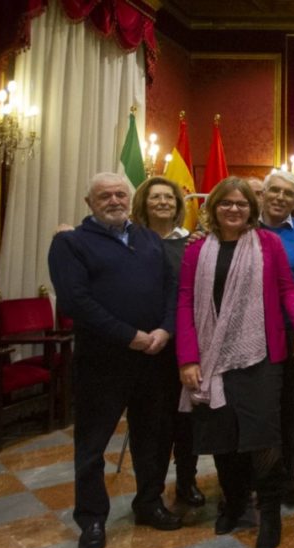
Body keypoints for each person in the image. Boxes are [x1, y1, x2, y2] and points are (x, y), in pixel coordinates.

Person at [177, 176, 294, 548]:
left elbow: (287, 287)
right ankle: (234, 503)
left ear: (252, 208)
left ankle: (269, 513)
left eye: (241, 204)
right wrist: (187, 358)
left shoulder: (267, 243)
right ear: (213, 207)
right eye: (226, 203)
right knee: (222, 434)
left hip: (261, 355)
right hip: (211, 356)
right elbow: (185, 301)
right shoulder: (196, 250)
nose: (234, 209)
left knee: (263, 436)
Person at [49, 172, 181, 548]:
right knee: (92, 444)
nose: (114, 201)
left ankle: (149, 502)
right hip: (102, 362)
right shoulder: (70, 243)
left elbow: (172, 290)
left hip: (154, 357)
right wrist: (130, 336)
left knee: (152, 438)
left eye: (120, 194)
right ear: (89, 203)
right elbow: (75, 302)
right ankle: (91, 518)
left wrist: (164, 331)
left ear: (129, 198)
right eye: (104, 196)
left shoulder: (148, 239)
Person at [129, 176, 205, 508]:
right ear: (143, 202)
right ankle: (149, 495)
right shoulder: (128, 240)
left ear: (178, 205)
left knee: (188, 422)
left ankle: (186, 484)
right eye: (155, 197)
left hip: (185, 346)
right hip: (144, 348)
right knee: (151, 427)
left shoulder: (192, 243)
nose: (163, 202)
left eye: (170, 198)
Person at [258, 169, 294, 506]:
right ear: (264, 194)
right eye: (275, 191)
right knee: (257, 410)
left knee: (289, 409)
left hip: (293, 333)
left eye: (288, 194)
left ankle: (287, 476)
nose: (280, 198)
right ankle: (258, 476)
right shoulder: (245, 229)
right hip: (251, 335)